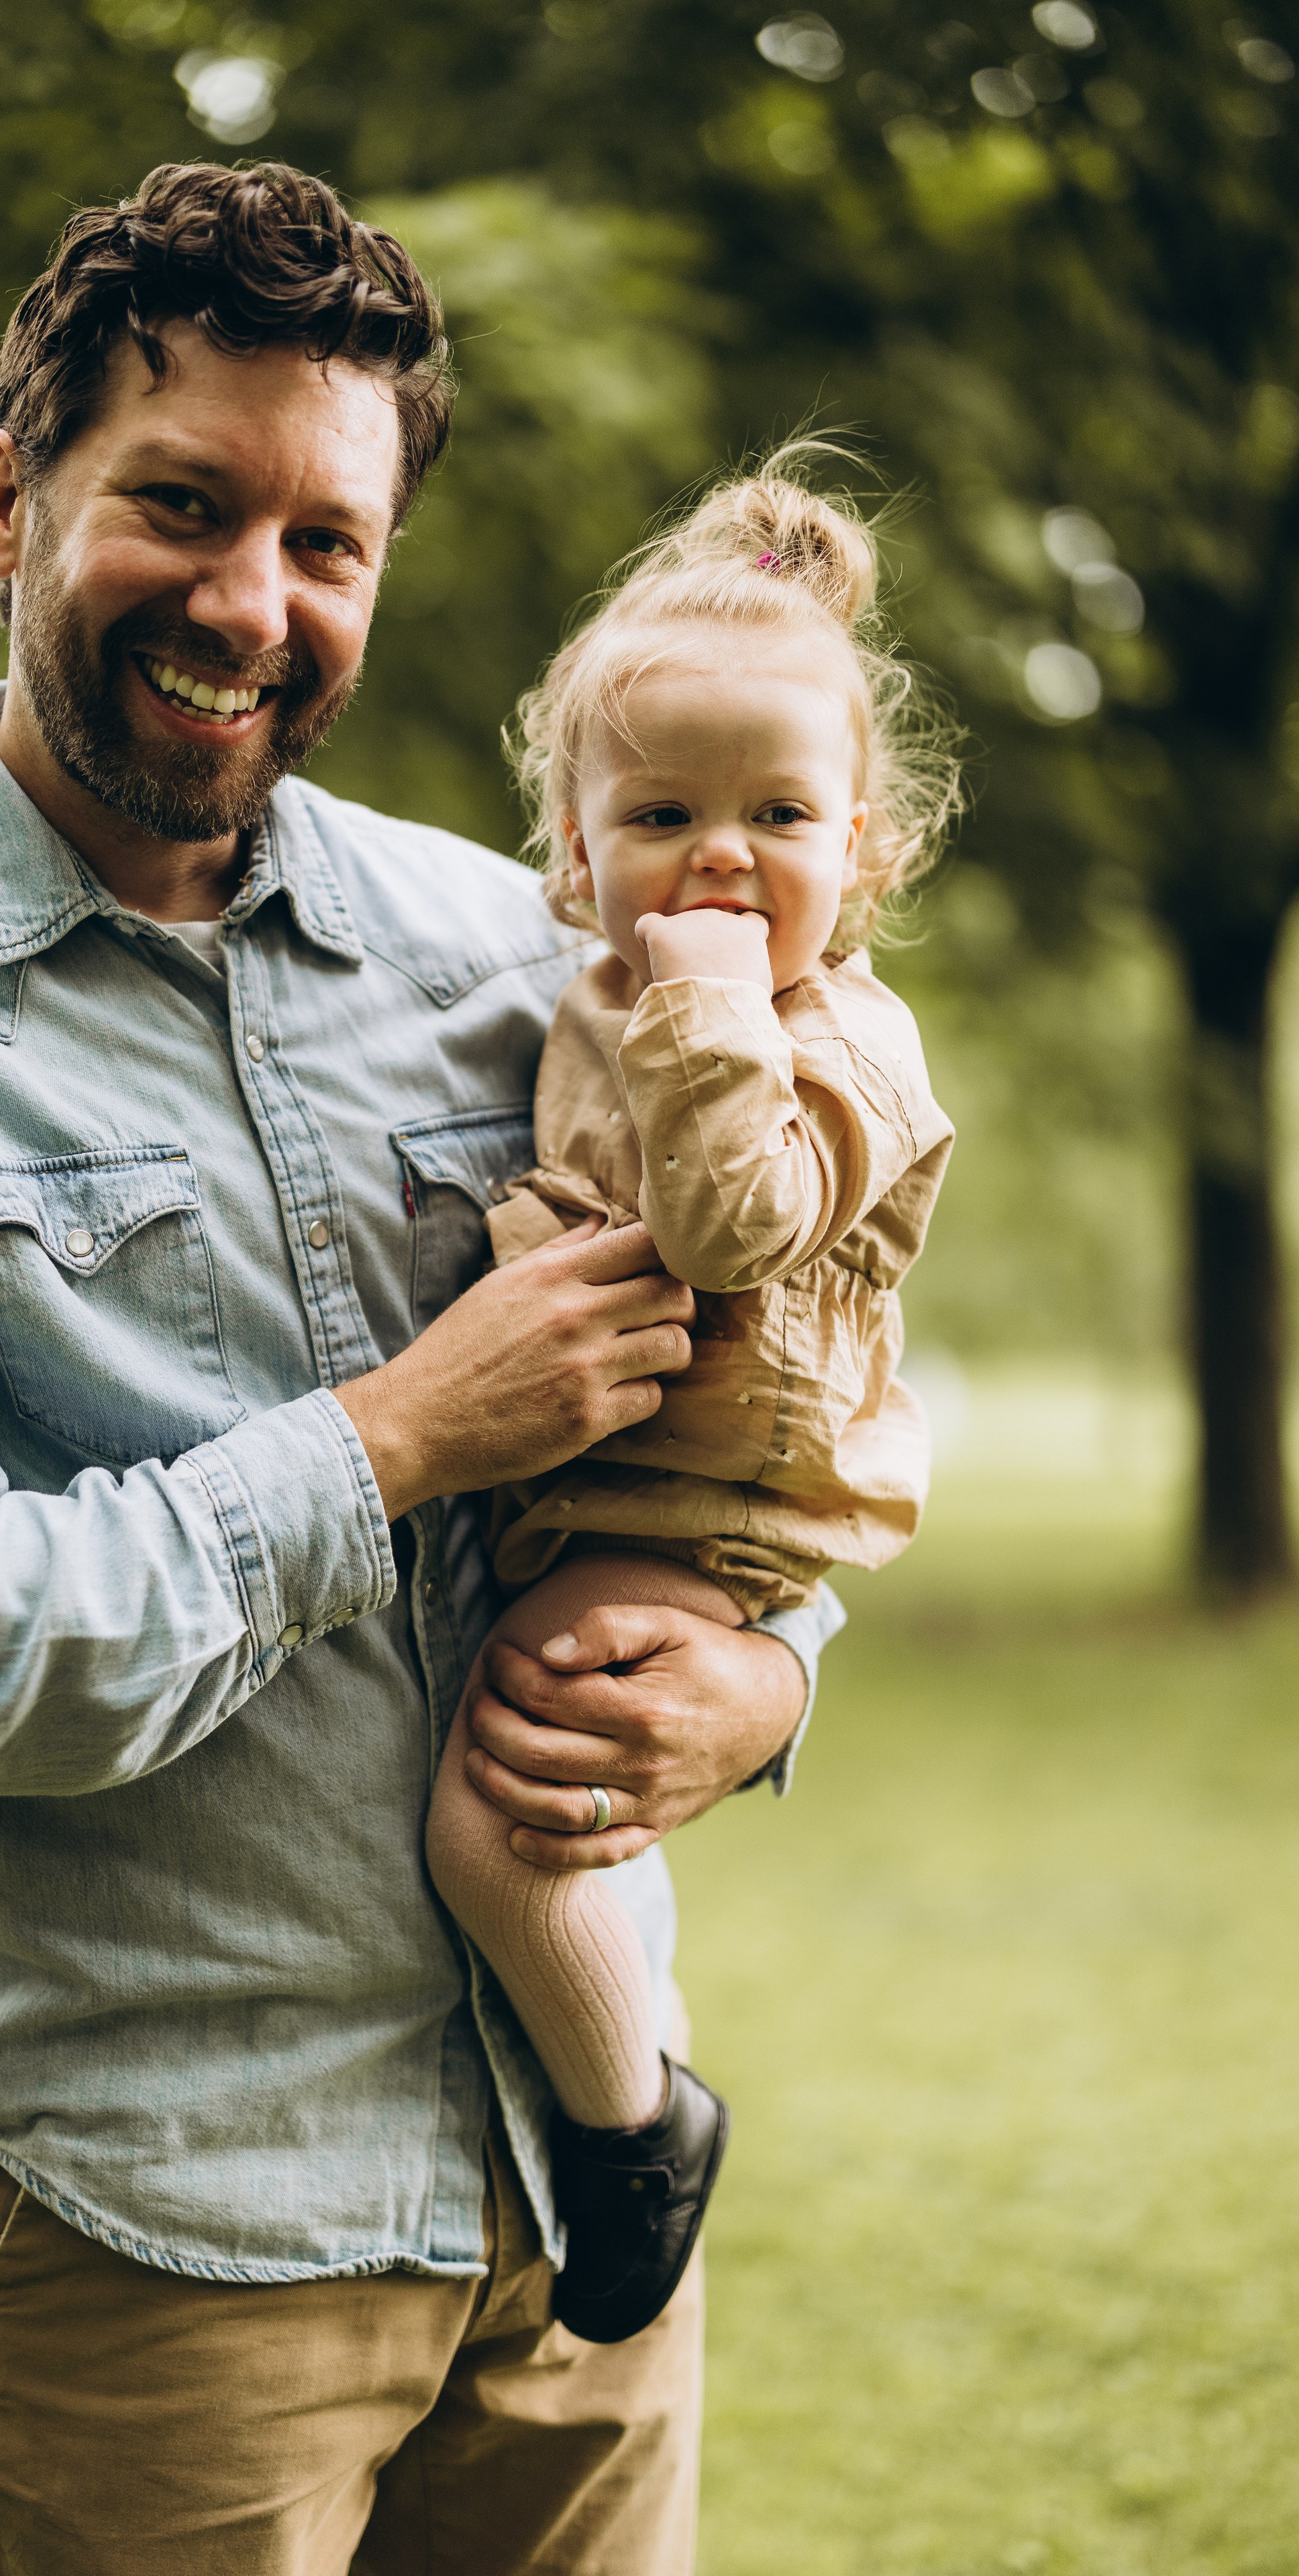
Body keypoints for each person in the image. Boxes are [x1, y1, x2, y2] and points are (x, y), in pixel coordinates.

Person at [0, 162, 840, 2576]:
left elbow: (770, 1371)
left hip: (578, 2189)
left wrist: (772, 1681)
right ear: (6, 497)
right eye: (181, 505)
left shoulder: (519, 949)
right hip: (155, 2249)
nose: (251, 606)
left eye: (328, 544)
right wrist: (400, 1436)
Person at [425, 458, 958, 2344]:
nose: (721, 860)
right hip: (612, 1483)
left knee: (500, 1819)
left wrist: (717, 1003)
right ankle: (624, 2097)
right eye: (664, 815)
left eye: (778, 816)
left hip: (695, 1516)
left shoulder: (835, 1043)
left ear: (865, 849)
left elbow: (736, 1230)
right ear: (574, 853)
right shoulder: (593, 989)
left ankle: (637, 2123)